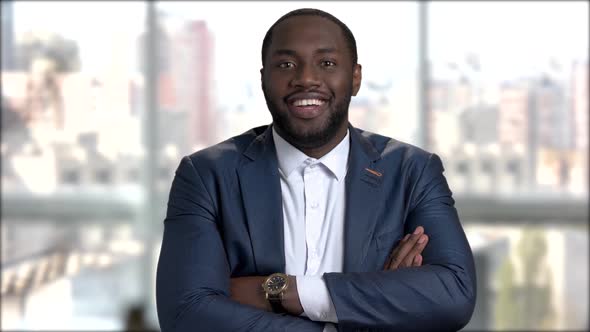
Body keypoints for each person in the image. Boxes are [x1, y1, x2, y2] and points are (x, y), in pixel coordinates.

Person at [156, 8, 476, 332]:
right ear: (264, 78)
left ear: (355, 78)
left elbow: (455, 293)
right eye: (286, 65)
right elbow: (186, 313)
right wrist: (376, 301)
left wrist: (280, 291)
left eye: (326, 63)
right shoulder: (205, 175)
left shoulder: (413, 171)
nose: (306, 78)